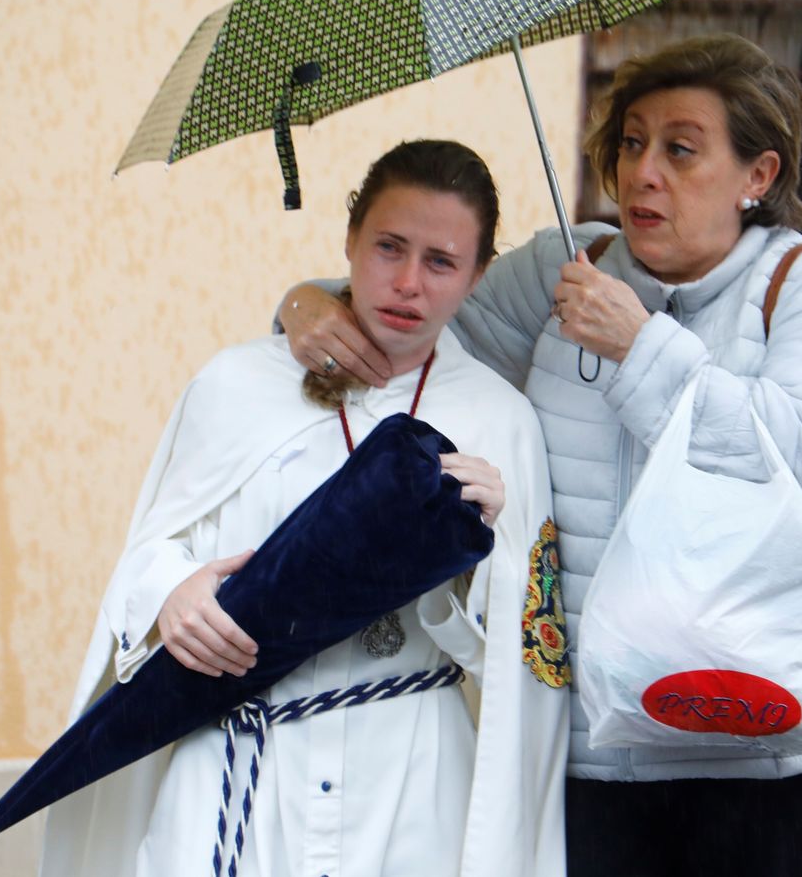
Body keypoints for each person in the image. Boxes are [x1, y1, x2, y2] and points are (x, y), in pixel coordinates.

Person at [282, 34, 802, 876]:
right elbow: (411, 332)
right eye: (632, 143)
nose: (643, 173)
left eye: (680, 149)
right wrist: (308, 303)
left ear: (759, 174)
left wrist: (643, 350)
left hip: (764, 743)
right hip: (594, 746)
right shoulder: (568, 268)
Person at [38, 139, 569, 877]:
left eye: (441, 262)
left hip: (412, 784)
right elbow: (150, 551)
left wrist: (483, 557)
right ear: (350, 239)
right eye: (389, 247)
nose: (408, 283)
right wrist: (171, 592)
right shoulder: (235, 385)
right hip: (238, 766)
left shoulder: (500, 420)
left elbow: (531, 654)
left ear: (478, 276)